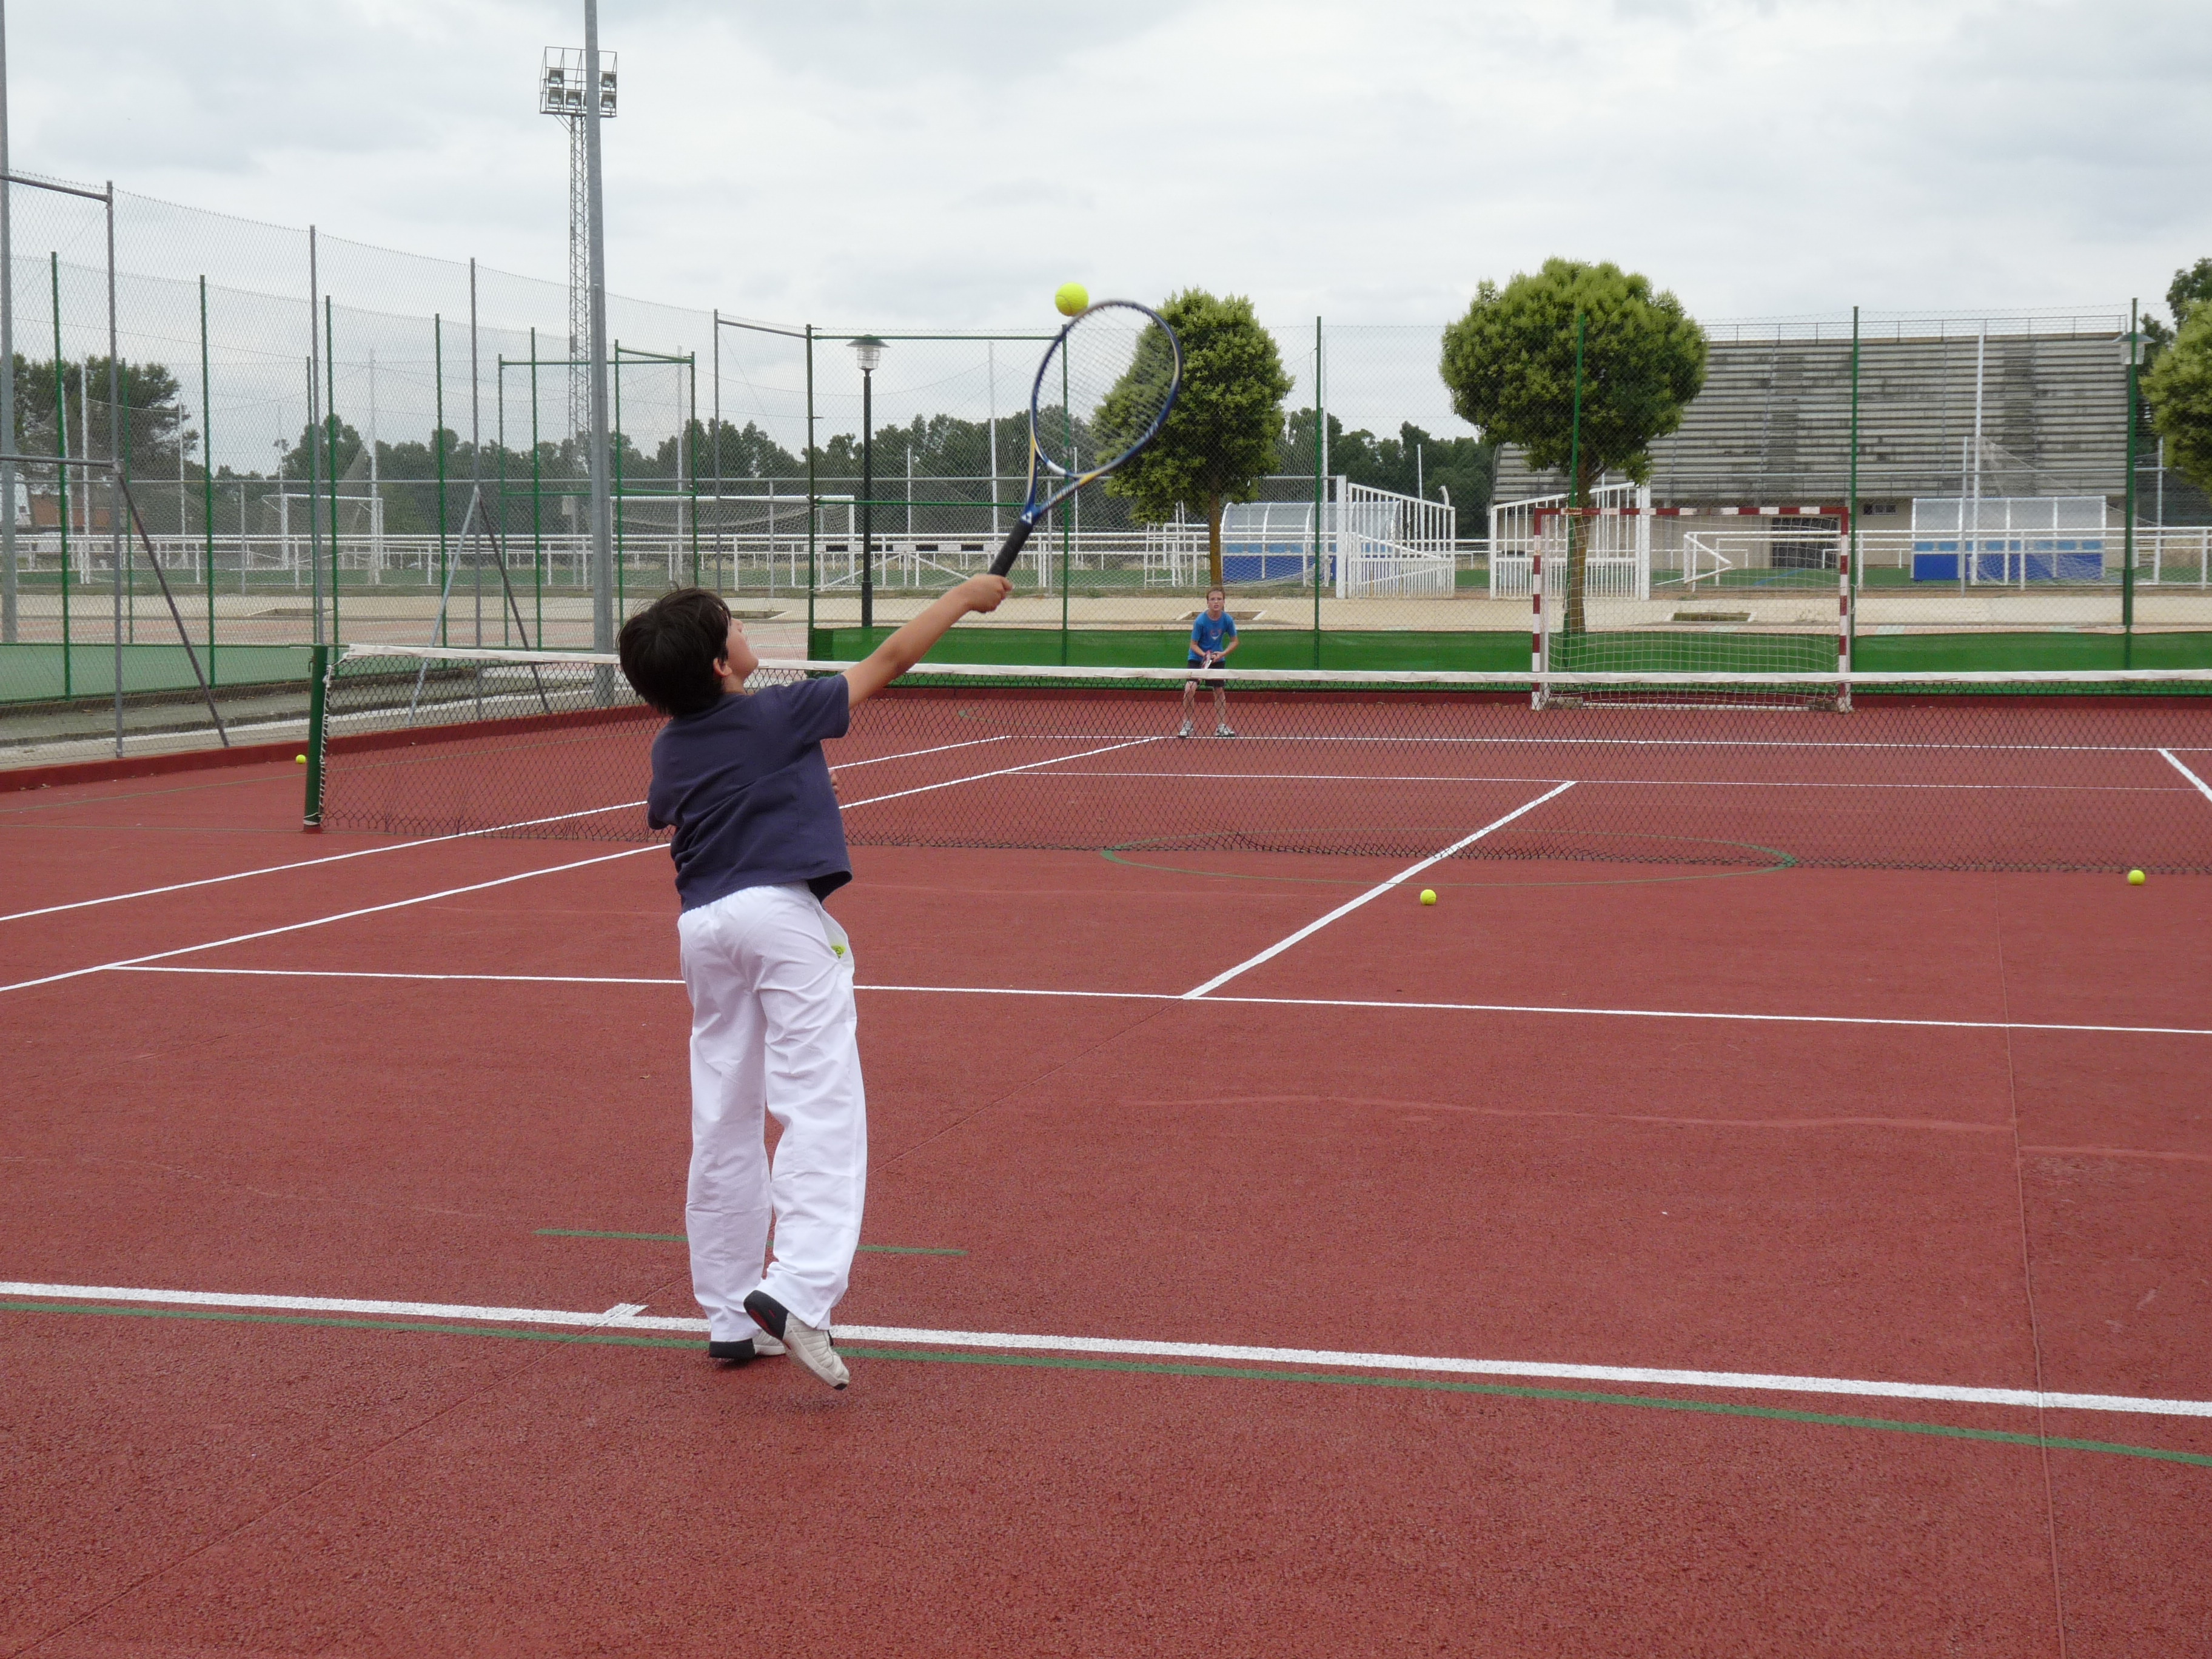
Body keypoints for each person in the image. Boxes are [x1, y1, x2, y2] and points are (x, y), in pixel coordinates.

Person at [618, 573, 1011, 1390]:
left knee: (724, 1114)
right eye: (732, 627)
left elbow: (678, 803)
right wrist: (962, 599)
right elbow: (890, 660)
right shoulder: (777, 712)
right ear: (721, 664)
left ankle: (731, 1315)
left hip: (703, 930)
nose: (742, 632)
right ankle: (799, 1290)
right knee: (821, 1105)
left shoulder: (669, 746)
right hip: (778, 920)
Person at [1181, 585, 1238, 738]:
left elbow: (1234, 641)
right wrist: (1205, 656)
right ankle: (1187, 724)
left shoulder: (1227, 620)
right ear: (1208, 602)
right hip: (1197, 658)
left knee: (1219, 691)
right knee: (1189, 689)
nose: (1216, 602)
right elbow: (1193, 645)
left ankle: (1221, 726)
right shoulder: (1200, 621)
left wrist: (1222, 654)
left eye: (1219, 599)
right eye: (1212, 599)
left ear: (1224, 602)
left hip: (1217, 659)